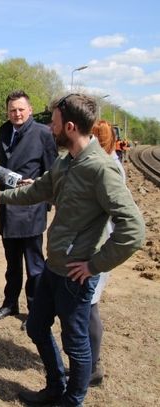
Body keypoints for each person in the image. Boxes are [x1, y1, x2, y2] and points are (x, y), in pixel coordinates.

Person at [0, 94, 145, 406]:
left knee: (75, 343)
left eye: (54, 123)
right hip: (53, 267)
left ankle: (73, 400)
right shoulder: (66, 162)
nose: (50, 127)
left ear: (70, 127)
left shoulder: (101, 169)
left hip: (76, 274)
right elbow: (39, 189)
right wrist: (2, 197)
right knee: (36, 326)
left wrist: (94, 265)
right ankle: (56, 386)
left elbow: (134, 230)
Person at [0, 90, 58, 328]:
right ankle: (9, 303)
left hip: (31, 207)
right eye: (12, 110)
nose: (16, 114)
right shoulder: (3, 131)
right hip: (7, 206)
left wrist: (44, 198)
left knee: (34, 265)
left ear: (30, 109)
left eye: (20, 109)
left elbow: (53, 172)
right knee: (12, 262)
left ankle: (35, 312)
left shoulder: (43, 133)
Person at [87, 120, 125, 386]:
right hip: (96, 245)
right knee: (89, 307)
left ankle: (92, 367)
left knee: (89, 308)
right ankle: (90, 363)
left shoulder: (108, 168)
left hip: (99, 248)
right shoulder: (104, 163)